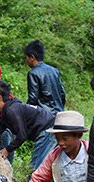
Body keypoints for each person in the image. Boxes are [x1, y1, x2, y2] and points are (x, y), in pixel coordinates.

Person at [0, 80, 55, 162]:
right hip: (46, 129)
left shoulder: (12, 111)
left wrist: (7, 149)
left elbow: (22, 135)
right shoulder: (4, 112)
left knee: (37, 166)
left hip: (47, 130)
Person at [25, 40, 66, 169]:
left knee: (37, 162)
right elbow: (62, 94)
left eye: (26, 57)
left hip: (44, 120)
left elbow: (32, 99)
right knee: (54, 159)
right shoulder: (54, 71)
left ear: (32, 57)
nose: (26, 61)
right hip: (59, 118)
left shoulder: (33, 73)